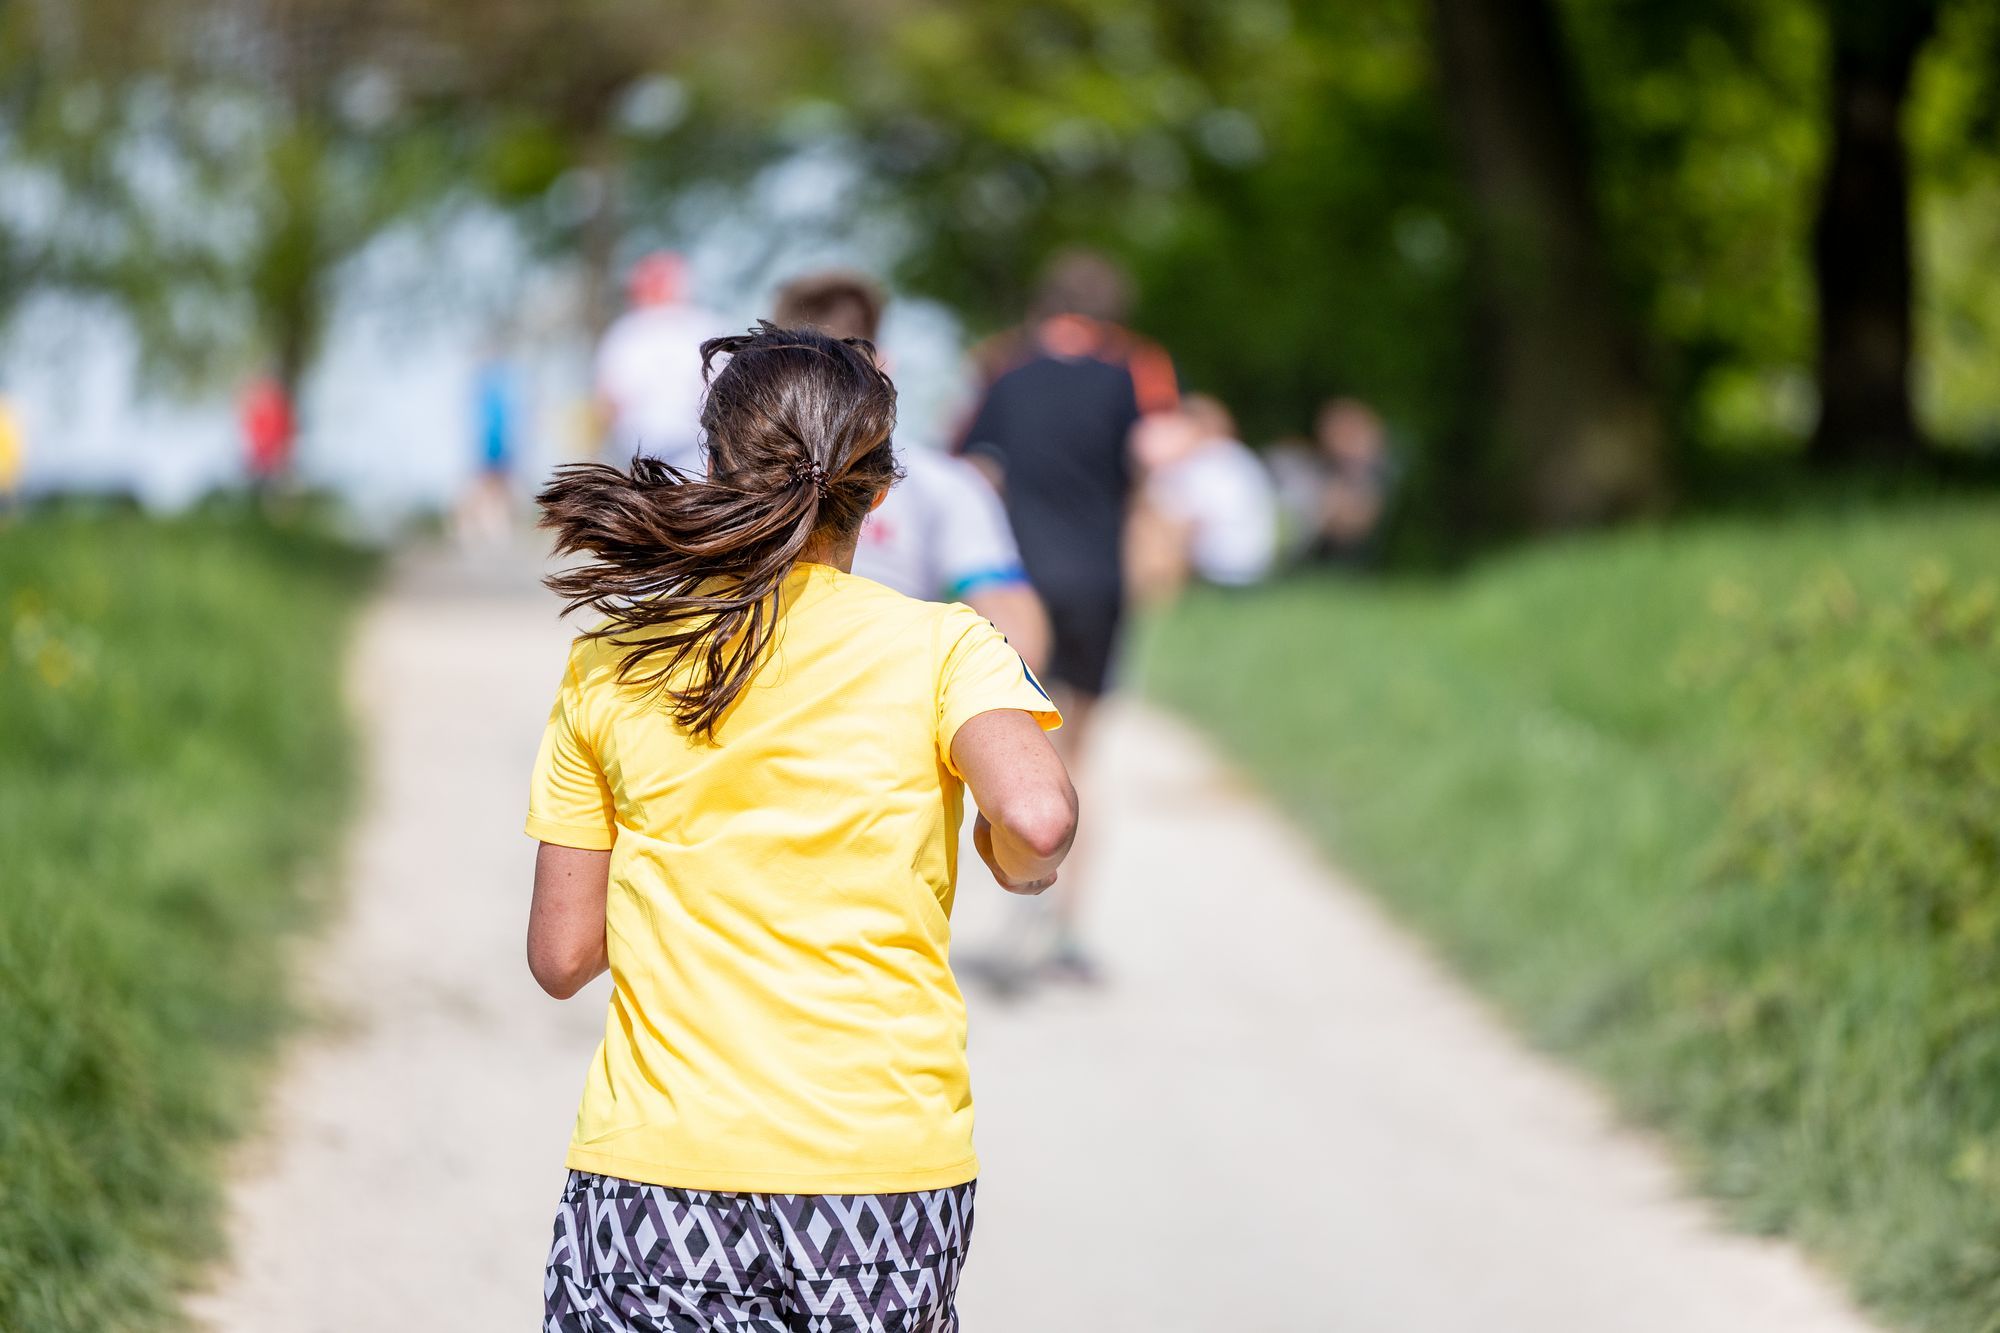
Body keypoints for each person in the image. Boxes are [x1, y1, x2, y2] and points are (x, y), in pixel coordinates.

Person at [525, 325, 1076, 1332]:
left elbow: (563, 955)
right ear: (877, 488)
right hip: (876, 1178)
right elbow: (1036, 820)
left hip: (654, 1172)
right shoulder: (944, 646)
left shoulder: (612, 663)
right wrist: (1013, 865)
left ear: (719, 459)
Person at [955, 248, 1176, 985]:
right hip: (1097, 581)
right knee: (1079, 753)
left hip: (1021, 584)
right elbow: (1157, 457)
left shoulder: (1003, 371)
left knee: (1015, 741)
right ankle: (1069, 927)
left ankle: (1019, 890)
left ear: (1043, 306)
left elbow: (971, 466)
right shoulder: (1132, 373)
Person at [770, 269, 1050, 671]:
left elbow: (1014, 631)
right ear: (883, 364)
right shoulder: (944, 484)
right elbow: (1016, 642)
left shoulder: (943, 486)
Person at [1128, 393, 1278, 601]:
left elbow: (1181, 520)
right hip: (1246, 562)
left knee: (1150, 527)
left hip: (1225, 564)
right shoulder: (1235, 457)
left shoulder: (1211, 460)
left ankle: (1152, 597)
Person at [593, 250, 722, 471]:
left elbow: (608, 404)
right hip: (654, 452)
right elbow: (609, 402)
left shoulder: (702, 326)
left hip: (686, 450)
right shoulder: (626, 333)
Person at [1269, 396, 1397, 566]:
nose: (1343, 441)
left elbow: (1355, 523)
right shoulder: (1300, 463)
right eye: (1339, 433)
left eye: (1352, 434)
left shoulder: (1374, 477)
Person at [453, 348, 522, 546]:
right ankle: (476, 527)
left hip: (496, 445)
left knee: (497, 486)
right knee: (484, 485)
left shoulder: (499, 389)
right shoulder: (484, 390)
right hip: (488, 446)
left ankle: (495, 528)